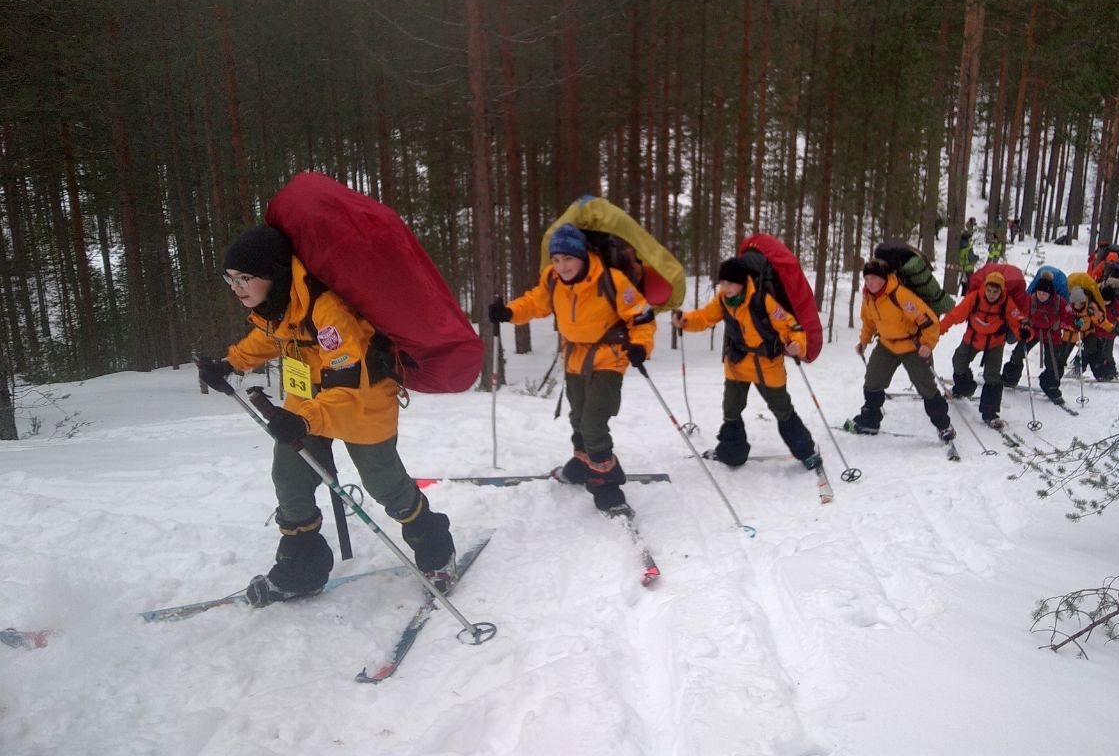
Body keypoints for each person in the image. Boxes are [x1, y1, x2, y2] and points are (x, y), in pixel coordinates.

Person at [195, 225, 456, 606]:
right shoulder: (278, 307)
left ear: (274, 274)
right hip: (308, 398)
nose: (236, 287)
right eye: (230, 278)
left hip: (362, 398)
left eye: (245, 278)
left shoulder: (325, 310)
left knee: (385, 484)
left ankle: (435, 547)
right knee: (290, 476)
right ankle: (302, 568)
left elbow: (349, 384)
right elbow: (271, 337)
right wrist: (230, 363)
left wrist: (304, 419)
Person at [489, 223, 655, 516]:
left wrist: (641, 346)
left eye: (568, 258)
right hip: (574, 356)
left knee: (593, 421)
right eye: (556, 259)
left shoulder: (610, 280)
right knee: (578, 415)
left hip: (610, 356)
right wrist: (509, 312)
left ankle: (608, 486)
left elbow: (642, 315)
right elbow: (535, 302)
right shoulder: (552, 280)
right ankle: (582, 462)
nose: (562, 266)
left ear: (582, 256)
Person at [671, 257, 819, 470]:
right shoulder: (722, 300)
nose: (725, 287)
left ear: (742, 282)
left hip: (767, 365)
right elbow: (704, 317)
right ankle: (731, 453)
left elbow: (790, 326)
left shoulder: (762, 299)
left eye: (730, 283)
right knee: (731, 410)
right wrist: (685, 320)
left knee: (783, 410)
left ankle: (806, 452)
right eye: (722, 283)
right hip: (737, 364)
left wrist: (797, 344)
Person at [846, 259, 955, 444]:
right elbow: (869, 322)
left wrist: (927, 344)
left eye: (874, 278)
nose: (870, 282)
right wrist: (864, 341)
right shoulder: (868, 298)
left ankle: (944, 426)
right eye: (867, 278)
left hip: (912, 345)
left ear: (883, 278)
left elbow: (929, 322)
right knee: (873, 382)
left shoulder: (900, 295)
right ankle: (870, 420)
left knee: (927, 388)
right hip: (887, 344)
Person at [939, 270, 1025, 427]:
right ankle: (964, 388)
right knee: (958, 362)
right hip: (973, 337)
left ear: (1001, 291)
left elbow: (1018, 321)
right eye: (989, 290)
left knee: (992, 376)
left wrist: (1025, 332)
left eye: (996, 291)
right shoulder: (974, 298)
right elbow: (954, 315)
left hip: (995, 342)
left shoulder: (1007, 302)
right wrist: (938, 330)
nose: (992, 294)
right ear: (984, 288)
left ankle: (990, 413)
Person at [999, 273, 1074, 404]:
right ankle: (1010, 377)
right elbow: (1021, 314)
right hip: (1032, 331)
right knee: (1018, 354)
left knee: (1053, 362)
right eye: (1039, 292)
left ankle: (1050, 385)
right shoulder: (1030, 299)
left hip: (1052, 334)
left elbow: (1069, 317)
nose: (1041, 295)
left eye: (1044, 293)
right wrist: (1023, 325)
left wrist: (1073, 323)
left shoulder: (1059, 302)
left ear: (1050, 293)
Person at [1067, 284, 1115, 379]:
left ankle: (1099, 374)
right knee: (1061, 356)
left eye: (1080, 303)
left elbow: (1100, 319)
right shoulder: (1068, 308)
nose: (1078, 305)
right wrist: (1074, 324)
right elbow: (1064, 321)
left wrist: (1110, 327)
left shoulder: (1090, 307)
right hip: (1071, 335)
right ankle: (1059, 373)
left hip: (1088, 333)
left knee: (1093, 350)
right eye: (1076, 303)